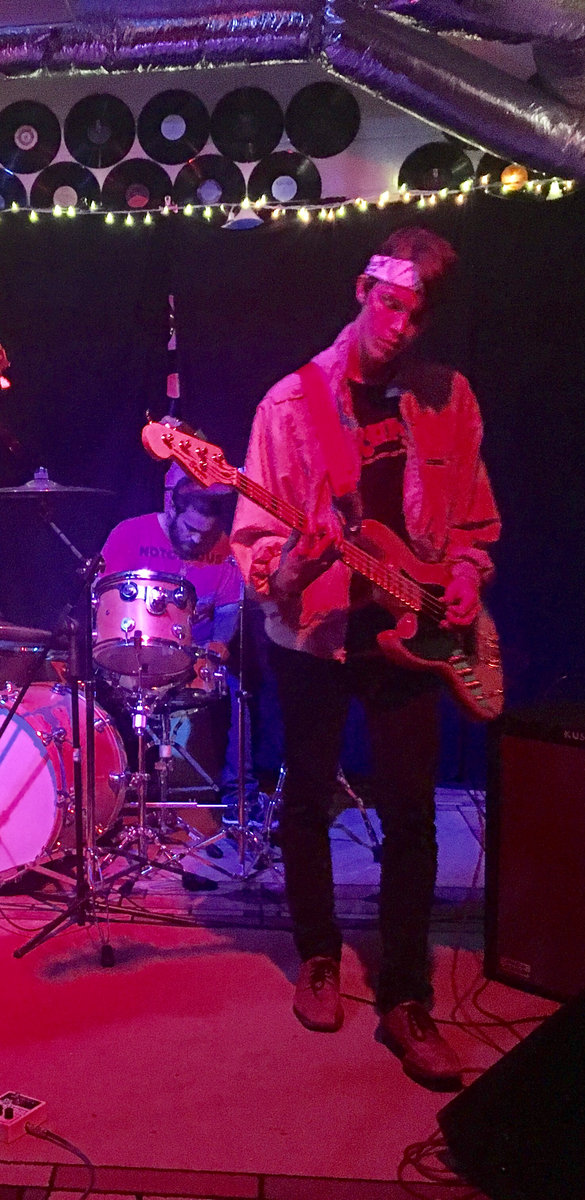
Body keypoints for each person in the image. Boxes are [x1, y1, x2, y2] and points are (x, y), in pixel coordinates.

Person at [232, 226, 500, 1089]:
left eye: (416, 316)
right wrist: (296, 562)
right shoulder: (288, 404)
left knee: (411, 814)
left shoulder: (448, 397)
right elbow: (255, 548)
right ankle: (316, 955)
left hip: (412, 632)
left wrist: (463, 575)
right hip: (314, 630)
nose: (398, 328)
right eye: (389, 306)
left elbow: (473, 521)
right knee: (306, 797)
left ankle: (406, 996)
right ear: (362, 290)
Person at [99, 454, 260, 831]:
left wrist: (219, 645)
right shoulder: (130, 534)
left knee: (237, 694)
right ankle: (110, 798)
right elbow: (102, 598)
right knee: (97, 698)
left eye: (206, 533)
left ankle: (240, 802)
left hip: (192, 659)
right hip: (132, 654)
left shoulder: (225, 548)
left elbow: (228, 609)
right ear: (172, 509)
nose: (197, 539)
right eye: (190, 529)